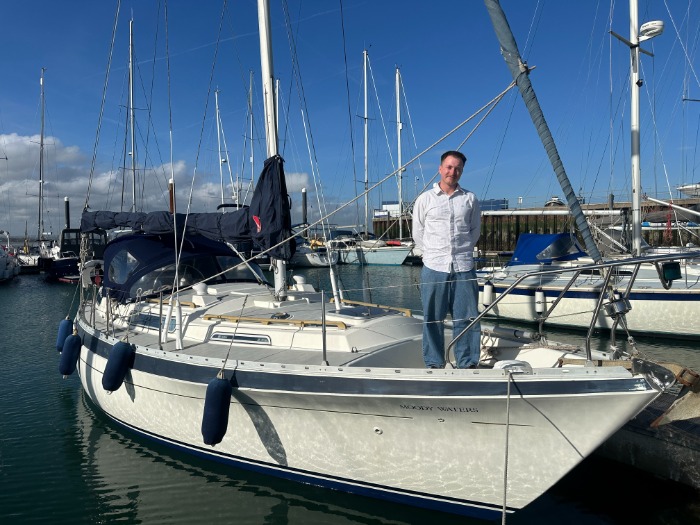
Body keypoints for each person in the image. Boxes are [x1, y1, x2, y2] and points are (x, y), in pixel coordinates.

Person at [412, 150, 481, 369]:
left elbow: (474, 231)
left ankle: (467, 363)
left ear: (462, 171)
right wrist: (432, 253)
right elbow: (418, 233)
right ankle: (434, 363)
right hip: (434, 266)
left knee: (467, 318)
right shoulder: (425, 199)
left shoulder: (470, 199)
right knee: (432, 318)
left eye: (458, 168)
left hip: (463, 266)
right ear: (440, 169)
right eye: (449, 167)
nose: (453, 171)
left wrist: (462, 251)